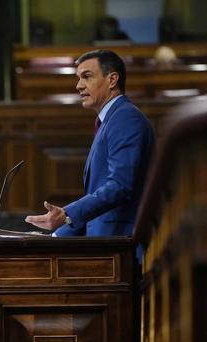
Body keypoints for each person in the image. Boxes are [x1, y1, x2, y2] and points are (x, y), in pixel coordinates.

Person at [25, 49, 154, 241]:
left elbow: (120, 186)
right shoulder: (110, 120)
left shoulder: (126, 118)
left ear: (112, 80)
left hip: (123, 245)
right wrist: (55, 236)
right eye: (78, 78)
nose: (78, 86)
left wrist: (66, 214)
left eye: (87, 77)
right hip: (106, 242)